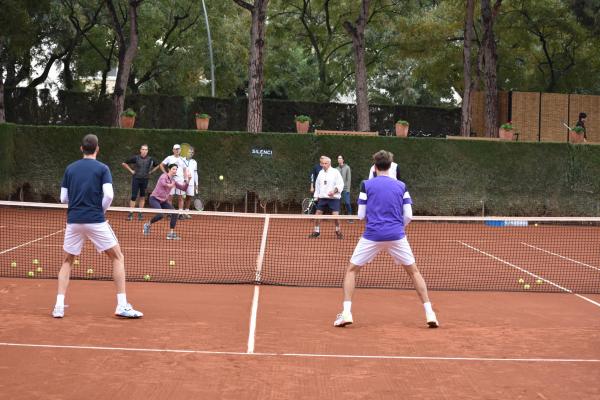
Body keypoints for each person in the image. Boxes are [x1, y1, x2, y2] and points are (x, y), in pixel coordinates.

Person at [333, 150, 438, 328]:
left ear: (374, 167)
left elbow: (360, 215)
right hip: (397, 235)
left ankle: (346, 313)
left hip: (372, 235)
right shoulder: (401, 186)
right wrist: (397, 228)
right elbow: (409, 215)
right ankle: (430, 314)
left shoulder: (366, 185)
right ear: (391, 166)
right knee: (414, 272)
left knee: (351, 271)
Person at [52, 134, 143, 319]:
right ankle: (122, 305)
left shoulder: (70, 169)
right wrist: (98, 210)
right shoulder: (103, 168)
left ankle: (58, 306)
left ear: (81, 148)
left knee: (67, 261)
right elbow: (109, 195)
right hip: (95, 220)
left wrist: (77, 206)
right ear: (97, 149)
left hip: (74, 221)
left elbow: (63, 198)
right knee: (117, 257)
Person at [143, 163, 190, 240]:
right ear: (169, 169)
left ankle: (171, 233)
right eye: (173, 169)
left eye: (176, 169)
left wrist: (188, 180)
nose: (175, 171)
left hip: (163, 201)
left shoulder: (173, 180)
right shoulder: (163, 176)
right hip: (154, 199)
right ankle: (148, 224)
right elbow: (165, 184)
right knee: (160, 215)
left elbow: (183, 188)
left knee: (175, 213)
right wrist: (172, 184)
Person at [308, 156, 345, 239]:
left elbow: (340, 184)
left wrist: (334, 192)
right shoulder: (320, 173)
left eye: (325, 163)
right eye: (322, 163)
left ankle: (338, 231)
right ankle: (317, 232)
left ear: (329, 163)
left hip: (334, 199)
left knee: (335, 216)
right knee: (317, 215)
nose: (323, 165)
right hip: (323, 198)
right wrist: (316, 196)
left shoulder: (335, 172)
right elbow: (317, 186)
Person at [121, 144, 160, 221]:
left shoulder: (151, 159)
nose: (144, 151)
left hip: (145, 180)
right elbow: (124, 163)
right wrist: (131, 171)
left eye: (146, 149)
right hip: (136, 179)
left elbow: (159, 165)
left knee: (142, 196)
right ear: (140, 150)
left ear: (147, 151)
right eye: (143, 149)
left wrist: (151, 171)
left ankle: (140, 213)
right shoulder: (135, 158)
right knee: (133, 196)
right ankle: (130, 214)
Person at [160, 144, 187, 212]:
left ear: (180, 150)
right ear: (173, 150)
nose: (177, 150)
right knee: (170, 197)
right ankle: (170, 212)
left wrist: (185, 180)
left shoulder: (183, 159)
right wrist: (166, 174)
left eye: (178, 149)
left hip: (180, 180)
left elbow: (184, 170)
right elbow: (161, 165)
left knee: (180, 198)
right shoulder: (169, 158)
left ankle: (180, 213)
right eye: (175, 149)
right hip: (170, 180)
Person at [181, 146, 199, 217]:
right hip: (183, 182)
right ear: (186, 152)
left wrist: (196, 184)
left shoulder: (194, 162)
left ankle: (186, 212)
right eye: (189, 152)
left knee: (189, 197)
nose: (191, 153)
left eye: (192, 152)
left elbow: (195, 173)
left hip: (191, 183)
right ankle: (181, 213)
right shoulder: (181, 160)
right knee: (182, 197)